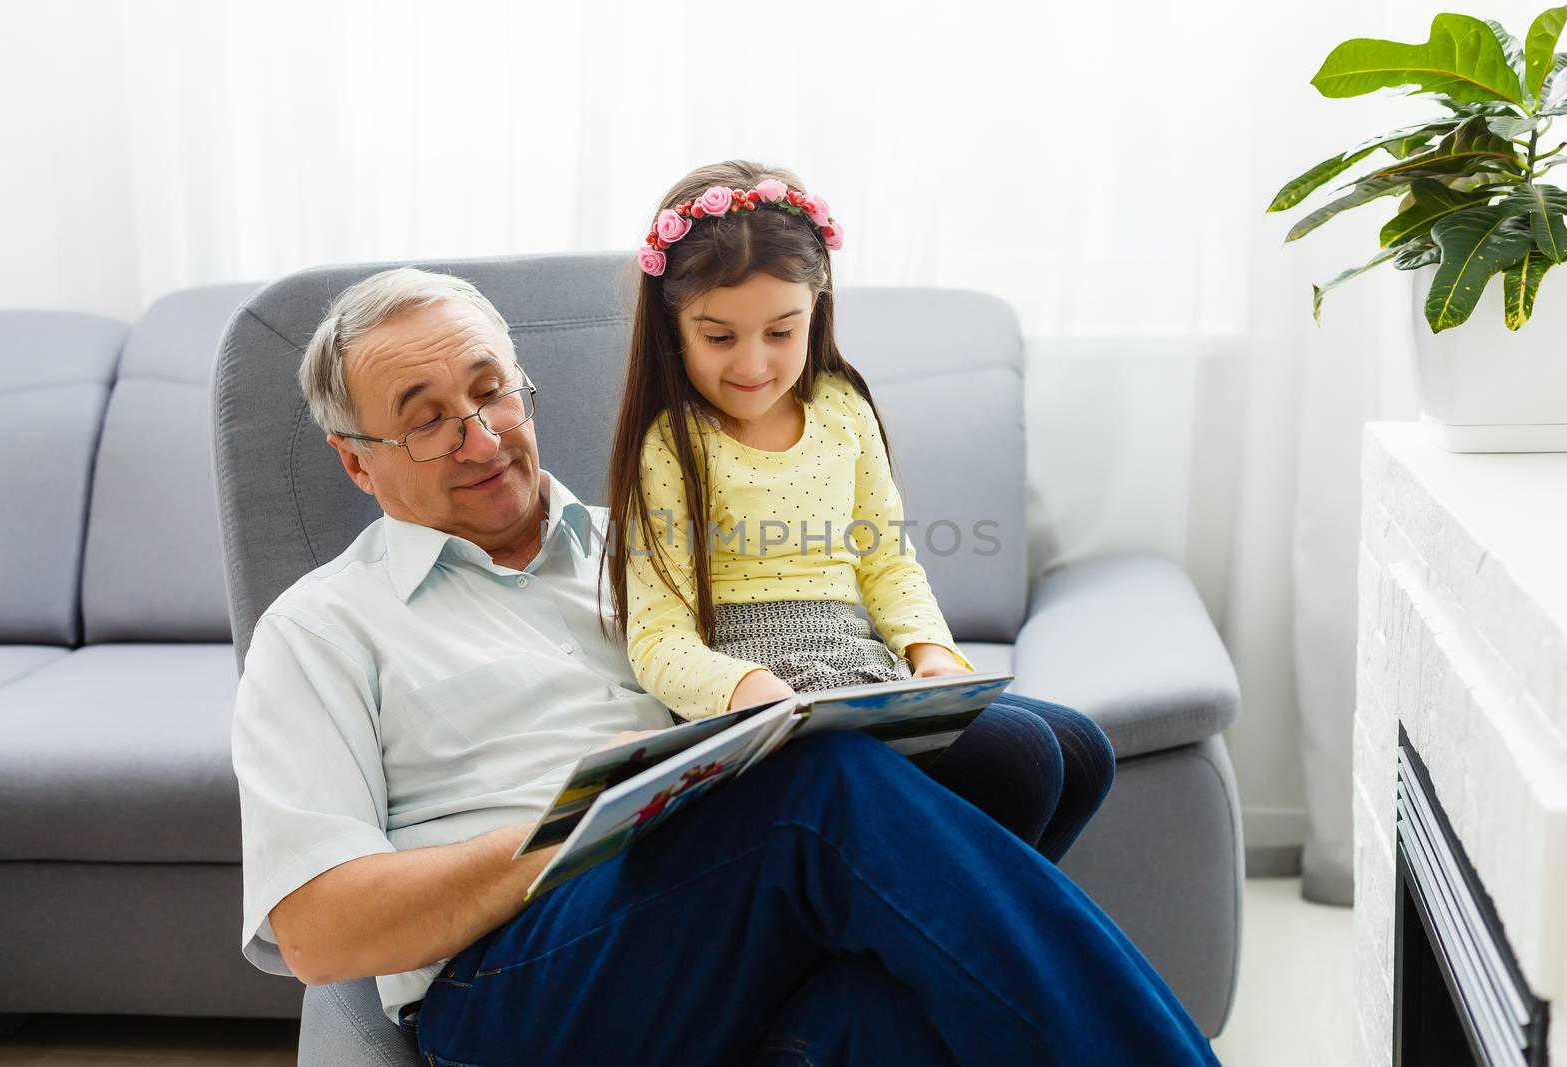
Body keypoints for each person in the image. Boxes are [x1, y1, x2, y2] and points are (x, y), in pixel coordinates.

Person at [231, 266, 1220, 1065]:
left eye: (490, 391)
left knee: (1044, 749)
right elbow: (317, 931)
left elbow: (834, 617)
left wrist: (902, 673)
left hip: (714, 914)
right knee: (813, 790)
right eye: (426, 416)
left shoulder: (663, 542)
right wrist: (584, 826)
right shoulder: (322, 628)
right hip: (511, 986)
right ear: (357, 461)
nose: (479, 436)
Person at [605, 159, 1112, 857]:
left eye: (781, 332)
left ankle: (941, 930)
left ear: (818, 307)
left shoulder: (843, 410)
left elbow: (887, 565)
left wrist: (934, 660)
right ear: (674, 324)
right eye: (719, 337)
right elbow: (658, 639)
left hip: (862, 673)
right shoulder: (672, 445)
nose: (752, 364)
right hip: (767, 704)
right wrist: (755, 691)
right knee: (1022, 756)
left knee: (1084, 750)